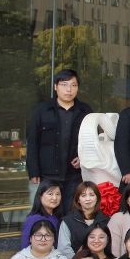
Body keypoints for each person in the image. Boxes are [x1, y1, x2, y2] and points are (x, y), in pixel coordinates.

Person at [28, 69, 93, 203]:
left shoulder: (85, 111)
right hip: (48, 174)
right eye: (64, 85)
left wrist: (83, 158)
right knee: (48, 210)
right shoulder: (42, 110)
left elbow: (94, 141)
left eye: (73, 85)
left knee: (72, 211)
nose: (69, 89)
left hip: (75, 175)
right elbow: (33, 142)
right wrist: (33, 171)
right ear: (55, 87)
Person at [58, 182, 108, 253]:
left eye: (91, 195)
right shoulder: (68, 221)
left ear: (97, 198)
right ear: (78, 200)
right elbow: (64, 248)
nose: (88, 199)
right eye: (83, 196)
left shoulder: (106, 220)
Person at [21, 181, 63, 248]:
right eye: (50, 194)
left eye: (58, 194)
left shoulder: (56, 217)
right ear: (40, 196)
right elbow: (25, 246)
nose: (55, 198)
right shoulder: (33, 219)